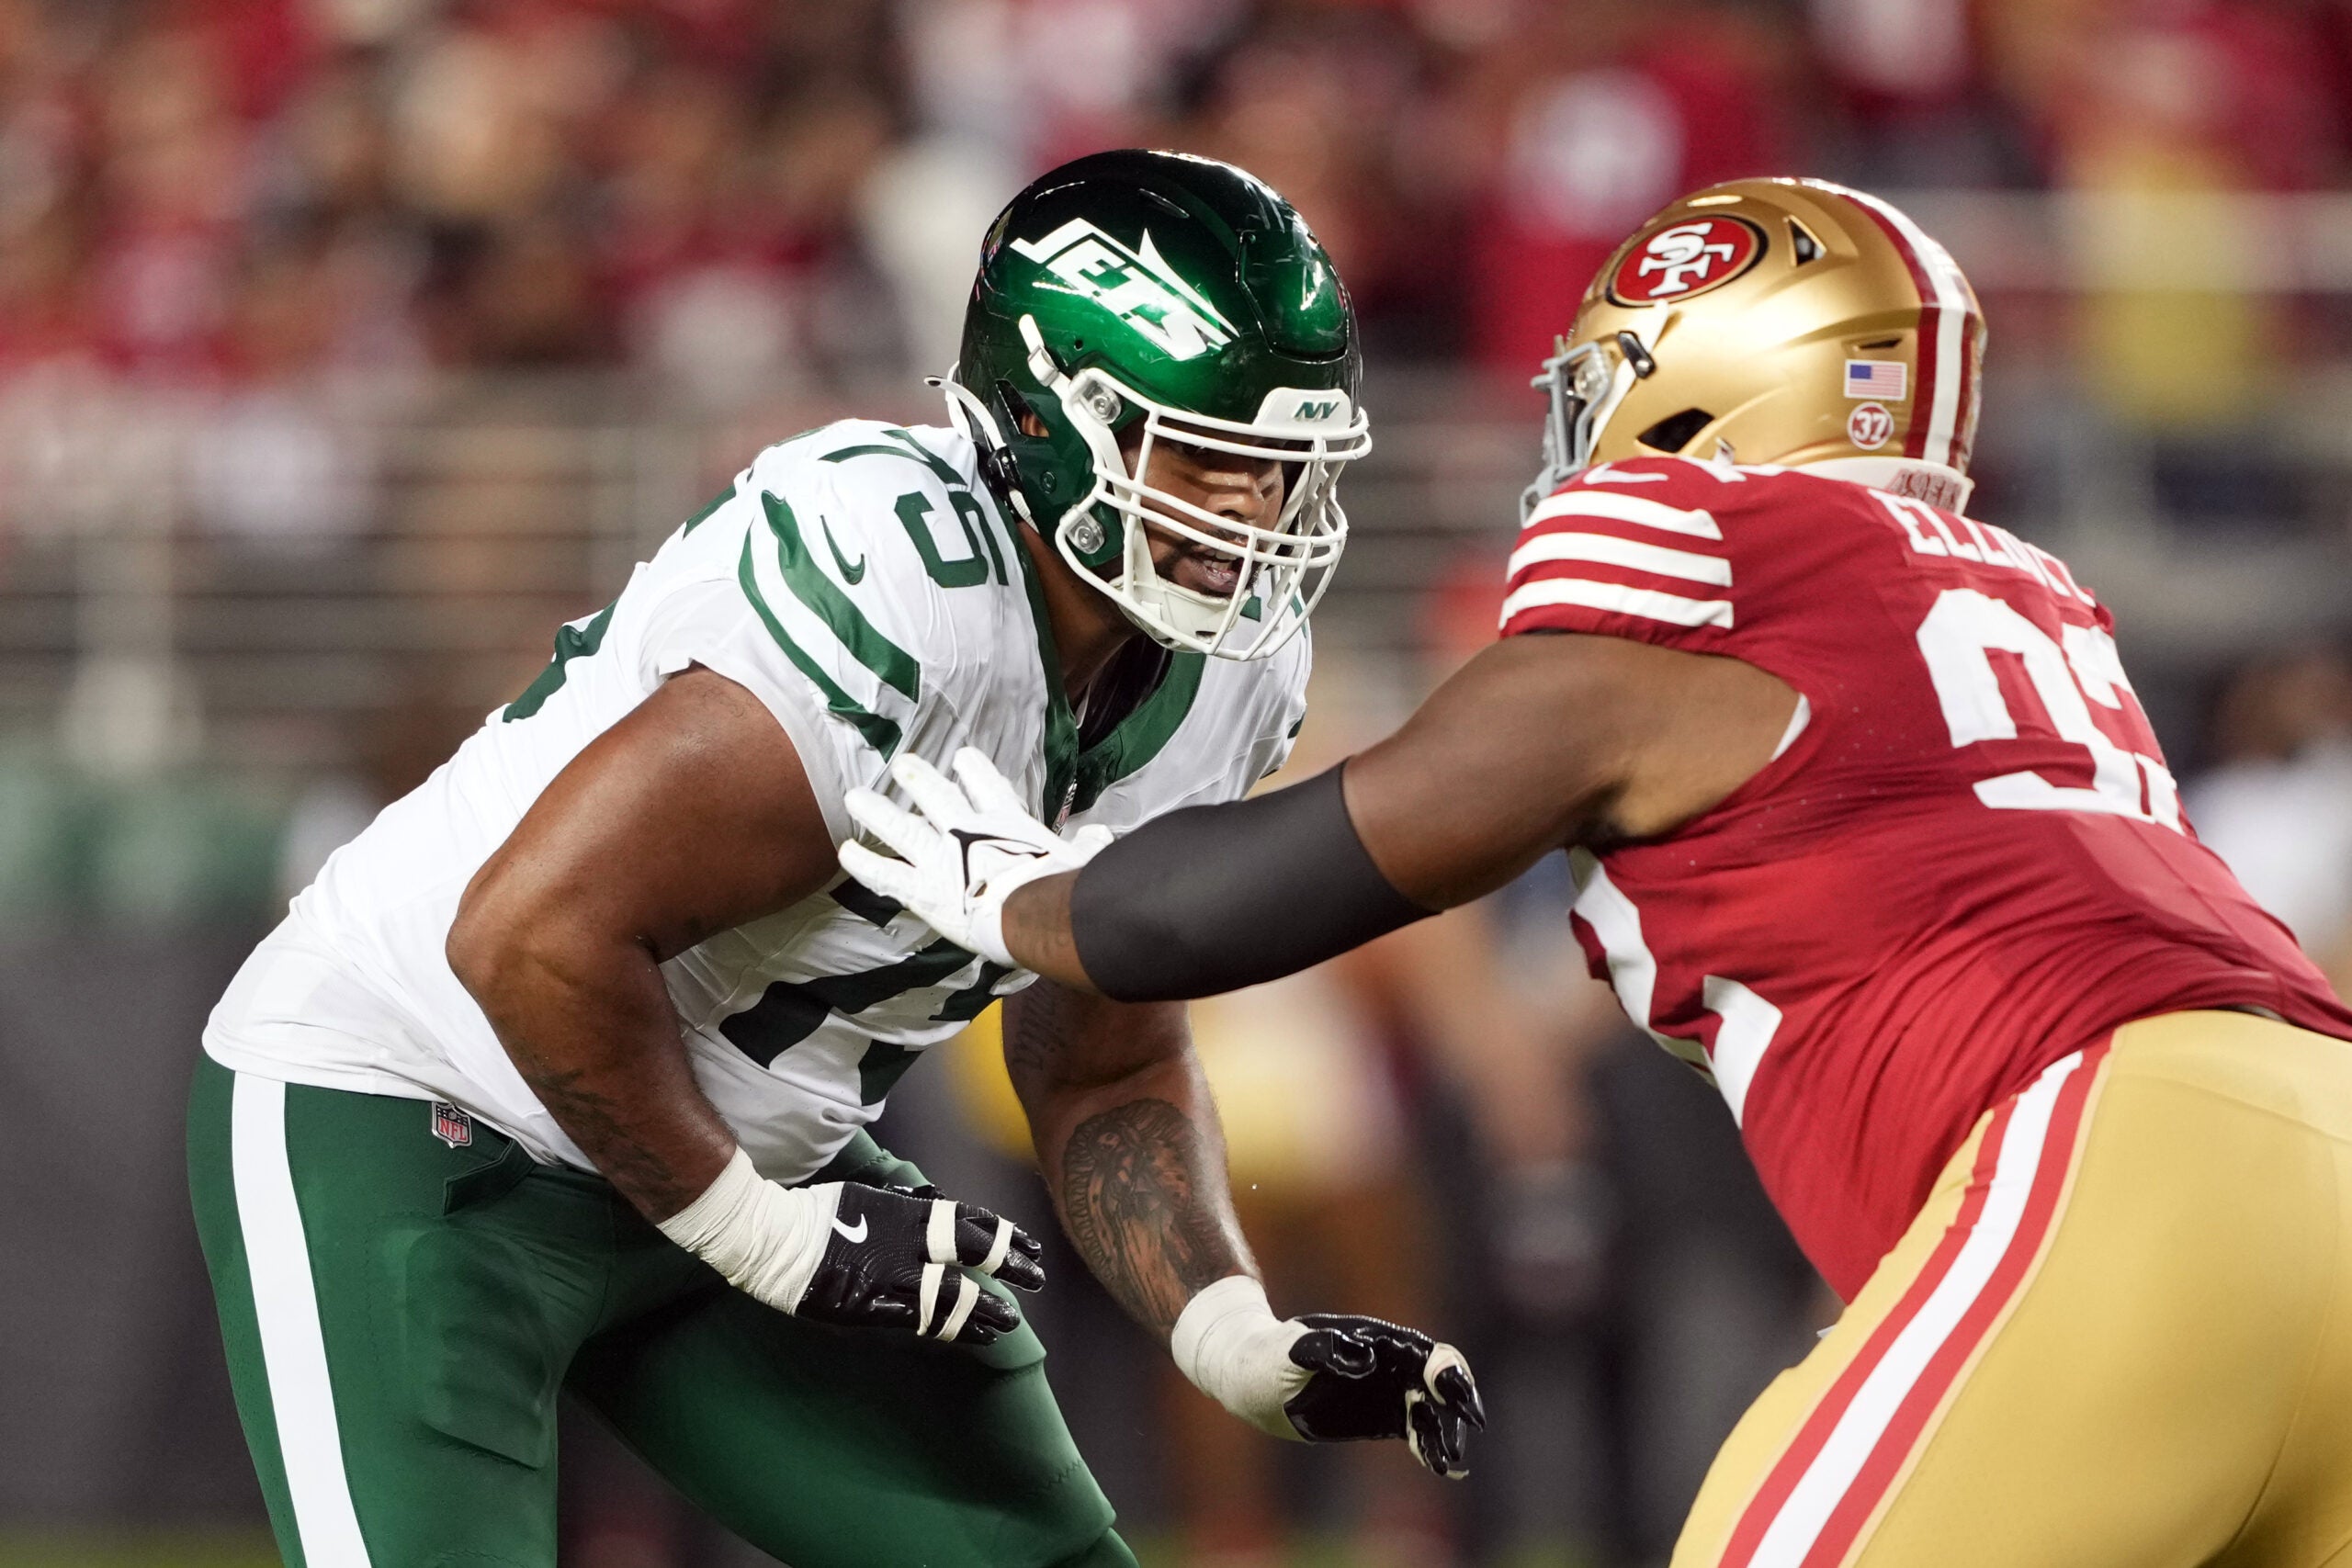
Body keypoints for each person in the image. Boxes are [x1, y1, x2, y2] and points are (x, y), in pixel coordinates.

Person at [846, 176, 2352, 1568]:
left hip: (2111, 1160)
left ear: (1702, 396)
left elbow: (1241, 894)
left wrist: (1013, 887)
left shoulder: (1702, 580)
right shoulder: (2022, 600)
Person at [187, 150, 1482, 1568]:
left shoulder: (1233, 674)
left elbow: (1103, 1056)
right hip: (423, 1099)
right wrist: (767, 1240)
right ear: (1058, 420)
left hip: (748, 1156)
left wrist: (1235, 1336)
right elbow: (528, 940)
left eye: (1284, 468)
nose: (1255, 517)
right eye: (1211, 458)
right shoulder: (898, 569)